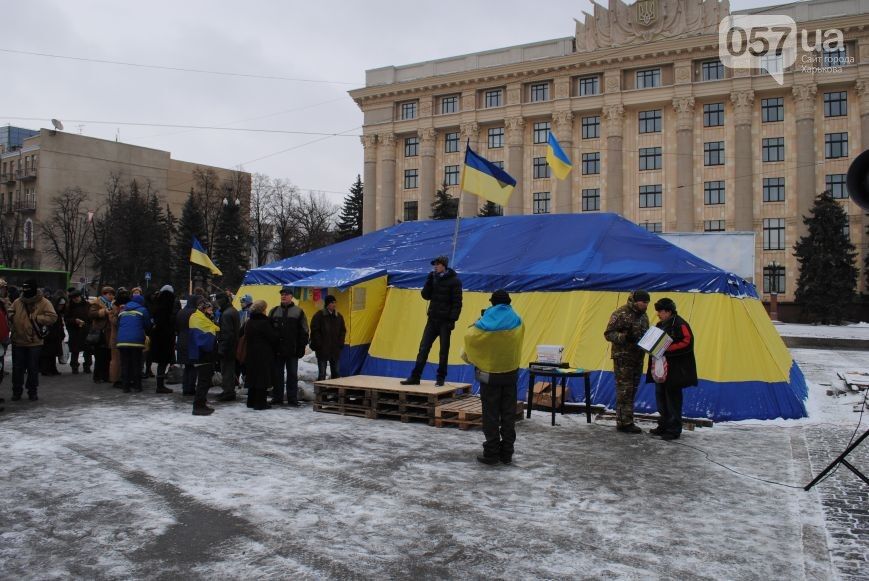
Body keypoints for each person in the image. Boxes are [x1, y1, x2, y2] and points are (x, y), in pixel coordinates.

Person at [463, 289, 525, 466]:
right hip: (510, 374)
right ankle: (507, 453)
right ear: (508, 302)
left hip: (489, 375)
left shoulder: (485, 322)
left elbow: (470, 338)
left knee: (490, 415)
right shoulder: (518, 320)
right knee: (508, 414)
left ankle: (491, 453)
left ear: (492, 303)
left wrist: (475, 323)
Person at [401, 255, 463, 387]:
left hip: (445, 321)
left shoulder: (454, 281)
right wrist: (428, 282)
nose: (435, 266)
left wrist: (452, 320)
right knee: (423, 347)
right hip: (432, 319)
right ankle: (415, 377)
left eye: (437, 264)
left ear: (444, 266)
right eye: (434, 264)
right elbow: (425, 296)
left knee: (443, 350)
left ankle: (441, 378)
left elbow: (457, 303)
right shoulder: (433, 278)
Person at [646, 298, 697, 441]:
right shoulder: (660, 324)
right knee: (660, 398)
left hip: (675, 371)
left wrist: (667, 349)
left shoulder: (680, 324)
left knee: (672, 399)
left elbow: (687, 342)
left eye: (660, 311)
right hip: (660, 369)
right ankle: (663, 425)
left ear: (668, 311)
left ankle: (674, 429)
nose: (658, 314)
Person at [603, 290, 651, 434]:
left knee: (633, 389)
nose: (646, 305)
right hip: (623, 358)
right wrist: (624, 337)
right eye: (644, 302)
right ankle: (624, 422)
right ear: (636, 301)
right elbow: (608, 334)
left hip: (638, 357)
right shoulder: (620, 313)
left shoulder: (644, 316)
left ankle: (627, 419)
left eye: (647, 303)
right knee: (624, 390)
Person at [8, 279, 58, 401]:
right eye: (24, 290)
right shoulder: (18, 301)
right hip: (18, 340)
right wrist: (12, 317)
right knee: (17, 368)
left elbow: (52, 317)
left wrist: (37, 318)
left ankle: (32, 391)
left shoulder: (44, 302)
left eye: (28, 290)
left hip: (34, 342)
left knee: (33, 367)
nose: (26, 292)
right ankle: (17, 391)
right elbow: (10, 312)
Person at [269, 286, 309, 407]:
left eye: (286, 294)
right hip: (277, 350)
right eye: (282, 294)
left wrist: (301, 347)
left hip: (293, 350)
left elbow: (304, 331)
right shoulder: (274, 311)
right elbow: (268, 329)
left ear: (291, 297)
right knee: (277, 375)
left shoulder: (299, 312)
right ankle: (277, 397)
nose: (283, 296)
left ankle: (292, 398)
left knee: (292, 375)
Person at [243, 300, 279, 410]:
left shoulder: (249, 321)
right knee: (262, 379)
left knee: (253, 377)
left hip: (251, 353)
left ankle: (251, 401)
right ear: (262, 310)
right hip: (263, 354)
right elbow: (273, 337)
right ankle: (260, 403)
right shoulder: (264, 323)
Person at [116, 293, 152, 393]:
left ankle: (125, 387)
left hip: (122, 342)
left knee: (125, 364)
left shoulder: (122, 311)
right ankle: (137, 386)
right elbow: (147, 325)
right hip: (136, 342)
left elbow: (119, 325)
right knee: (136, 364)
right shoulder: (143, 310)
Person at [189, 300, 219, 415]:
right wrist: (213, 331)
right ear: (204, 309)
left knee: (204, 381)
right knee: (203, 381)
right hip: (203, 355)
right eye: (210, 310)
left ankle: (201, 403)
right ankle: (198, 406)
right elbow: (203, 339)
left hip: (203, 355)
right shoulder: (199, 319)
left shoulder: (201, 318)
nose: (212, 312)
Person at [310, 294, 346, 381]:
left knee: (336, 373)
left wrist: (340, 343)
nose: (334, 305)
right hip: (322, 349)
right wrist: (319, 345)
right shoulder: (319, 315)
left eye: (335, 302)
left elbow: (343, 330)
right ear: (327, 304)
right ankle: (322, 393)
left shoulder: (338, 316)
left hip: (335, 349)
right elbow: (315, 331)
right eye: (332, 303)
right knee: (322, 373)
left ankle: (335, 393)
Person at [149, 285, 176, 394]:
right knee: (163, 362)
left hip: (157, 338)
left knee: (161, 362)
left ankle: (160, 384)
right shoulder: (168, 308)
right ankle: (160, 386)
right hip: (165, 339)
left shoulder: (156, 305)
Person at [176, 294, 202, 396]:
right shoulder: (195, 312)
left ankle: (185, 387)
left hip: (181, 340)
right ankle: (190, 388)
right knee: (193, 366)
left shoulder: (181, 312)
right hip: (192, 340)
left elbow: (177, 327)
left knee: (186, 366)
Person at [215, 293, 240, 402]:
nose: (217, 303)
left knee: (226, 370)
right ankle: (228, 391)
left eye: (218, 300)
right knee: (228, 369)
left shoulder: (226, 314)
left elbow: (227, 333)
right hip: (233, 345)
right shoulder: (233, 311)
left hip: (228, 346)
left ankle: (228, 392)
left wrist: (222, 348)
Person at [89, 286, 116, 383]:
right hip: (100, 332)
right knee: (100, 356)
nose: (111, 296)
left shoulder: (113, 304)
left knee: (108, 356)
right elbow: (91, 314)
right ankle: (97, 376)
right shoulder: (97, 302)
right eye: (109, 294)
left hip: (109, 333)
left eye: (112, 294)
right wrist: (103, 312)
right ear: (104, 294)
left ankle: (106, 376)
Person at [64, 290, 92, 375]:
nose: (76, 299)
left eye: (77, 297)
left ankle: (87, 366)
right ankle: (74, 367)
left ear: (80, 296)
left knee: (88, 350)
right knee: (75, 350)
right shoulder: (69, 307)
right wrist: (75, 321)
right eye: (74, 298)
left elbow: (91, 317)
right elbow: (66, 319)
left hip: (86, 330)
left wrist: (88, 326)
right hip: (74, 331)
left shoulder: (87, 305)